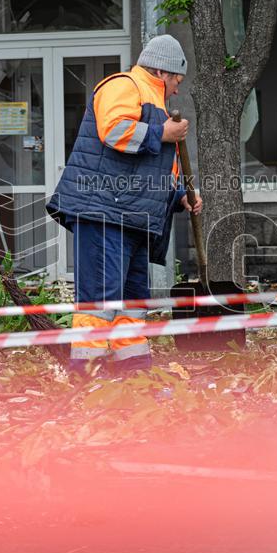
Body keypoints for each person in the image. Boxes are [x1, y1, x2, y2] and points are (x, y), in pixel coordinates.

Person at [46, 35, 203, 376]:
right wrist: (162, 134)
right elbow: (115, 132)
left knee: (132, 304)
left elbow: (153, 169)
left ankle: (134, 376)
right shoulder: (124, 85)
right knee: (100, 303)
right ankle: (88, 378)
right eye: (176, 80)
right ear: (163, 71)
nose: (177, 89)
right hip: (105, 213)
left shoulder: (156, 103)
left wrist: (179, 197)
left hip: (131, 217)